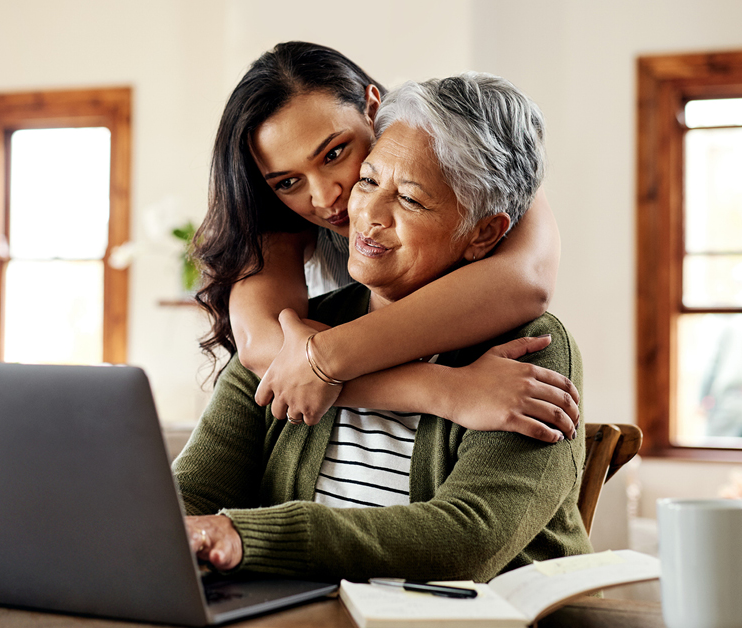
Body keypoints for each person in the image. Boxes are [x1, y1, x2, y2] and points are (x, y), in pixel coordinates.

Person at [174, 74, 592, 582]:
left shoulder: (534, 348)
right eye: (368, 181)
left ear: (483, 234)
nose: (363, 214)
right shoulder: (296, 336)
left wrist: (248, 536)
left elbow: (466, 541)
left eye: (411, 200)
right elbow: (188, 495)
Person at [194, 42, 578, 442]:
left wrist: (325, 359)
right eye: (289, 182)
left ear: (372, 108)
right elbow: (264, 349)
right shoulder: (278, 219)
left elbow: (525, 281)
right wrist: (444, 390)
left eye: (334, 153)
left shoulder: (468, 149)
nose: (326, 198)